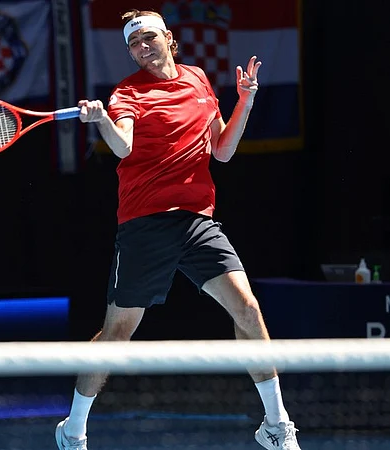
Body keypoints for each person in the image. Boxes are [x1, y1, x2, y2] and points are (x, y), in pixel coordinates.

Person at [55, 9, 302, 450]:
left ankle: (276, 425)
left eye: (148, 37)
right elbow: (123, 146)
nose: (141, 47)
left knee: (247, 309)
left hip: (197, 221)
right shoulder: (127, 92)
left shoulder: (198, 79)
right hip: (145, 225)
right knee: (117, 333)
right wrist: (103, 120)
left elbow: (222, 151)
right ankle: (73, 429)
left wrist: (245, 101)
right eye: (134, 43)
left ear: (169, 38)